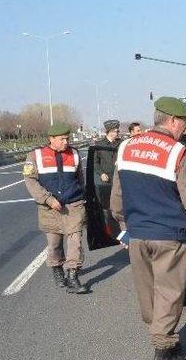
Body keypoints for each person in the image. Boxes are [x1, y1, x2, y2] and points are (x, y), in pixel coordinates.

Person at [110, 96, 186, 360]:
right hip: (169, 235)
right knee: (169, 292)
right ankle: (163, 355)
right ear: (172, 121)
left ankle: (160, 335)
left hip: (137, 236)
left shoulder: (126, 146)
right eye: (184, 123)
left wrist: (124, 228)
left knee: (148, 291)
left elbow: (116, 197)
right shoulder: (177, 152)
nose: (185, 129)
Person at [23, 122, 88, 294]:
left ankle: (73, 275)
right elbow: (30, 181)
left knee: (76, 241)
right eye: (62, 139)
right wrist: (47, 199)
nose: (66, 142)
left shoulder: (74, 153)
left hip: (74, 205)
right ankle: (57, 268)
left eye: (67, 138)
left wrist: (83, 197)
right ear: (51, 139)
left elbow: (80, 178)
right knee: (54, 244)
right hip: (49, 209)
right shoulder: (35, 155)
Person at [94, 119, 122, 184]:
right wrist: (101, 173)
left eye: (118, 131)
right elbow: (95, 162)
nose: (117, 133)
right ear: (109, 132)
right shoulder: (99, 145)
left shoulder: (121, 143)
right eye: (115, 131)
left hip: (119, 177)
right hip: (106, 178)